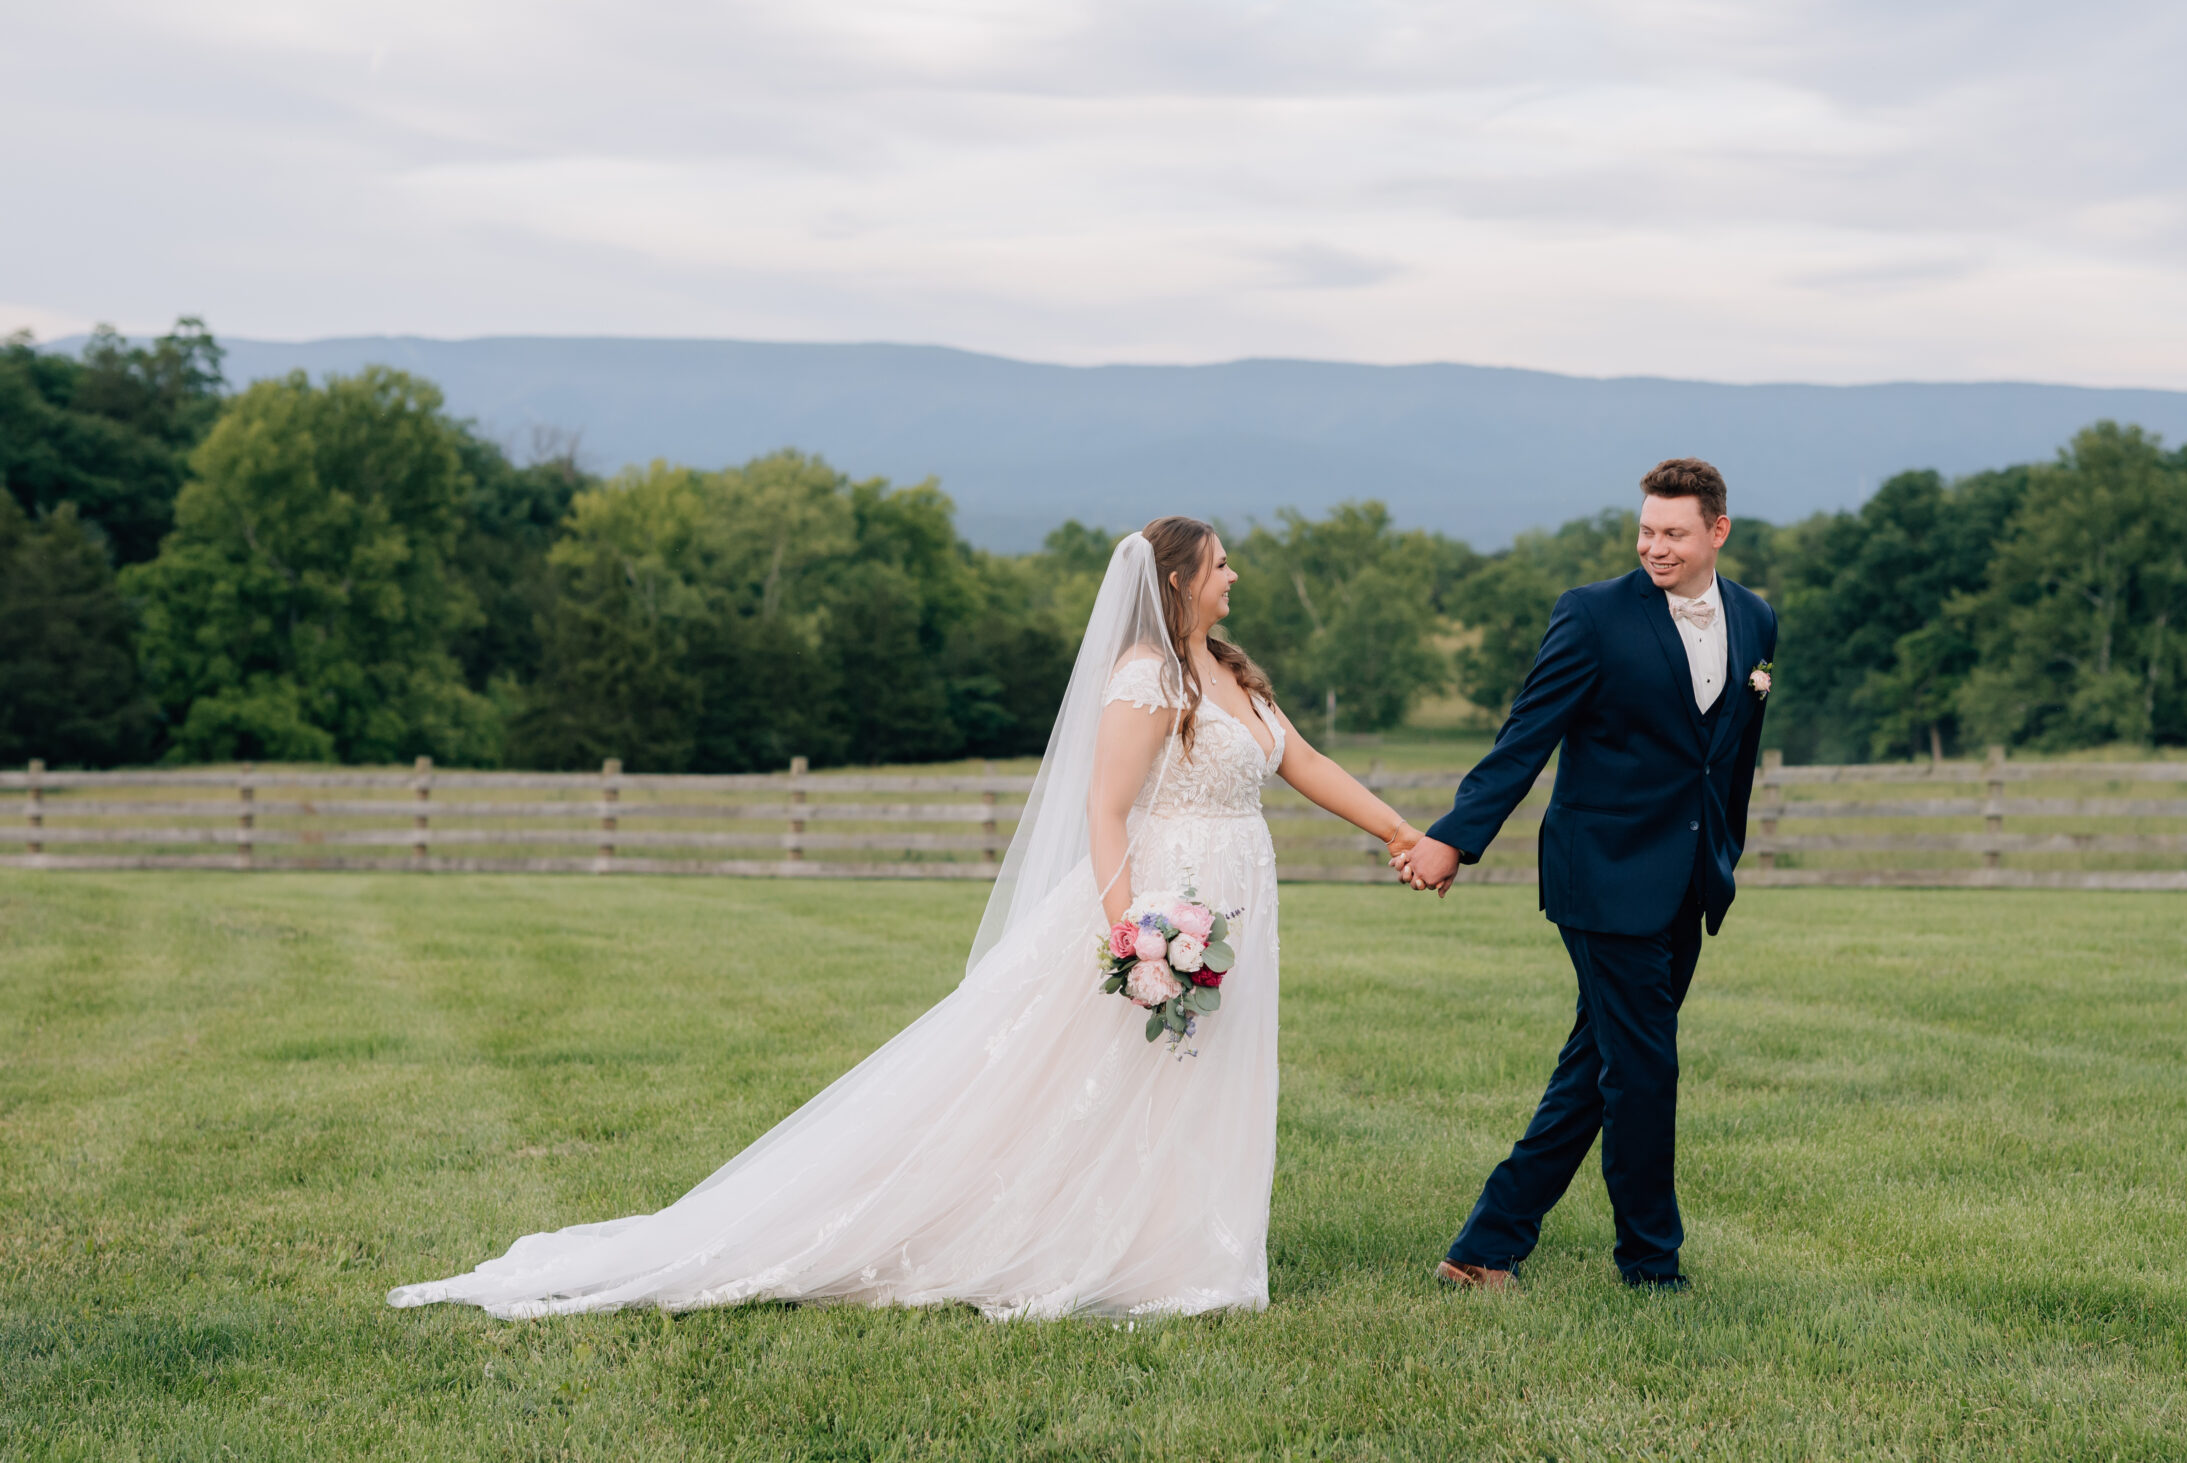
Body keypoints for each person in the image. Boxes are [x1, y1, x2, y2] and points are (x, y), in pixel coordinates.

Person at [389, 519, 1425, 1320]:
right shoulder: (1147, 675)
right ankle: (1100, 1242)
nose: (1232, 576)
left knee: (1191, 1074)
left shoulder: (1229, 673)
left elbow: (1303, 763)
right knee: (1089, 1077)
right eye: (1219, 565)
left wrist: (1396, 831)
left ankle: (1182, 1241)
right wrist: (1131, 933)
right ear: (1174, 582)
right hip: (1161, 901)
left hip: (1234, 892)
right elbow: (1103, 809)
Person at [1394, 457, 1776, 1293]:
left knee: (1598, 1065)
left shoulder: (1754, 618)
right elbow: (1525, 736)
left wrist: (1726, 852)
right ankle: (1651, 1266)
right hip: (1601, 875)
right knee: (1645, 1068)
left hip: (1689, 877)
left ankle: (1485, 1245)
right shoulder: (1593, 616)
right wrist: (1453, 837)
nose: (1655, 547)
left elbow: (1729, 759)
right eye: (1646, 530)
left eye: (1674, 532)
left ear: (1717, 531)